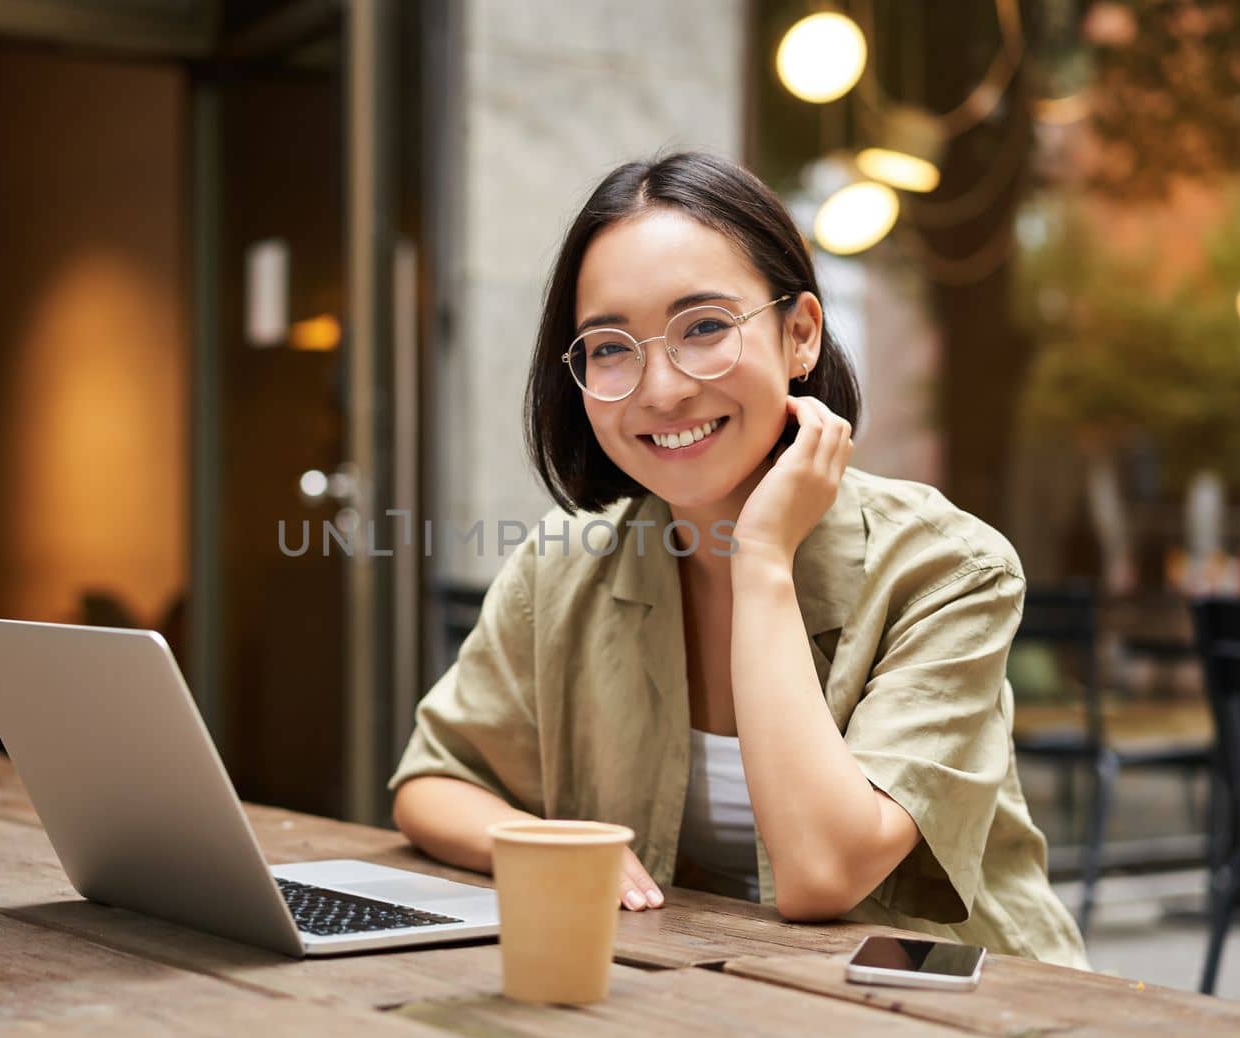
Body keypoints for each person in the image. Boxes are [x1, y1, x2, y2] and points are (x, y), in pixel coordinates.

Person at [389, 151, 1088, 968]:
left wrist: (761, 558)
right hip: (707, 1009)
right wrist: (536, 840)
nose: (661, 389)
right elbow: (431, 783)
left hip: (972, 1020)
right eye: (610, 347)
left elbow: (824, 872)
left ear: (800, 336)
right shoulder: (564, 567)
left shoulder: (949, 569)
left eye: (706, 328)